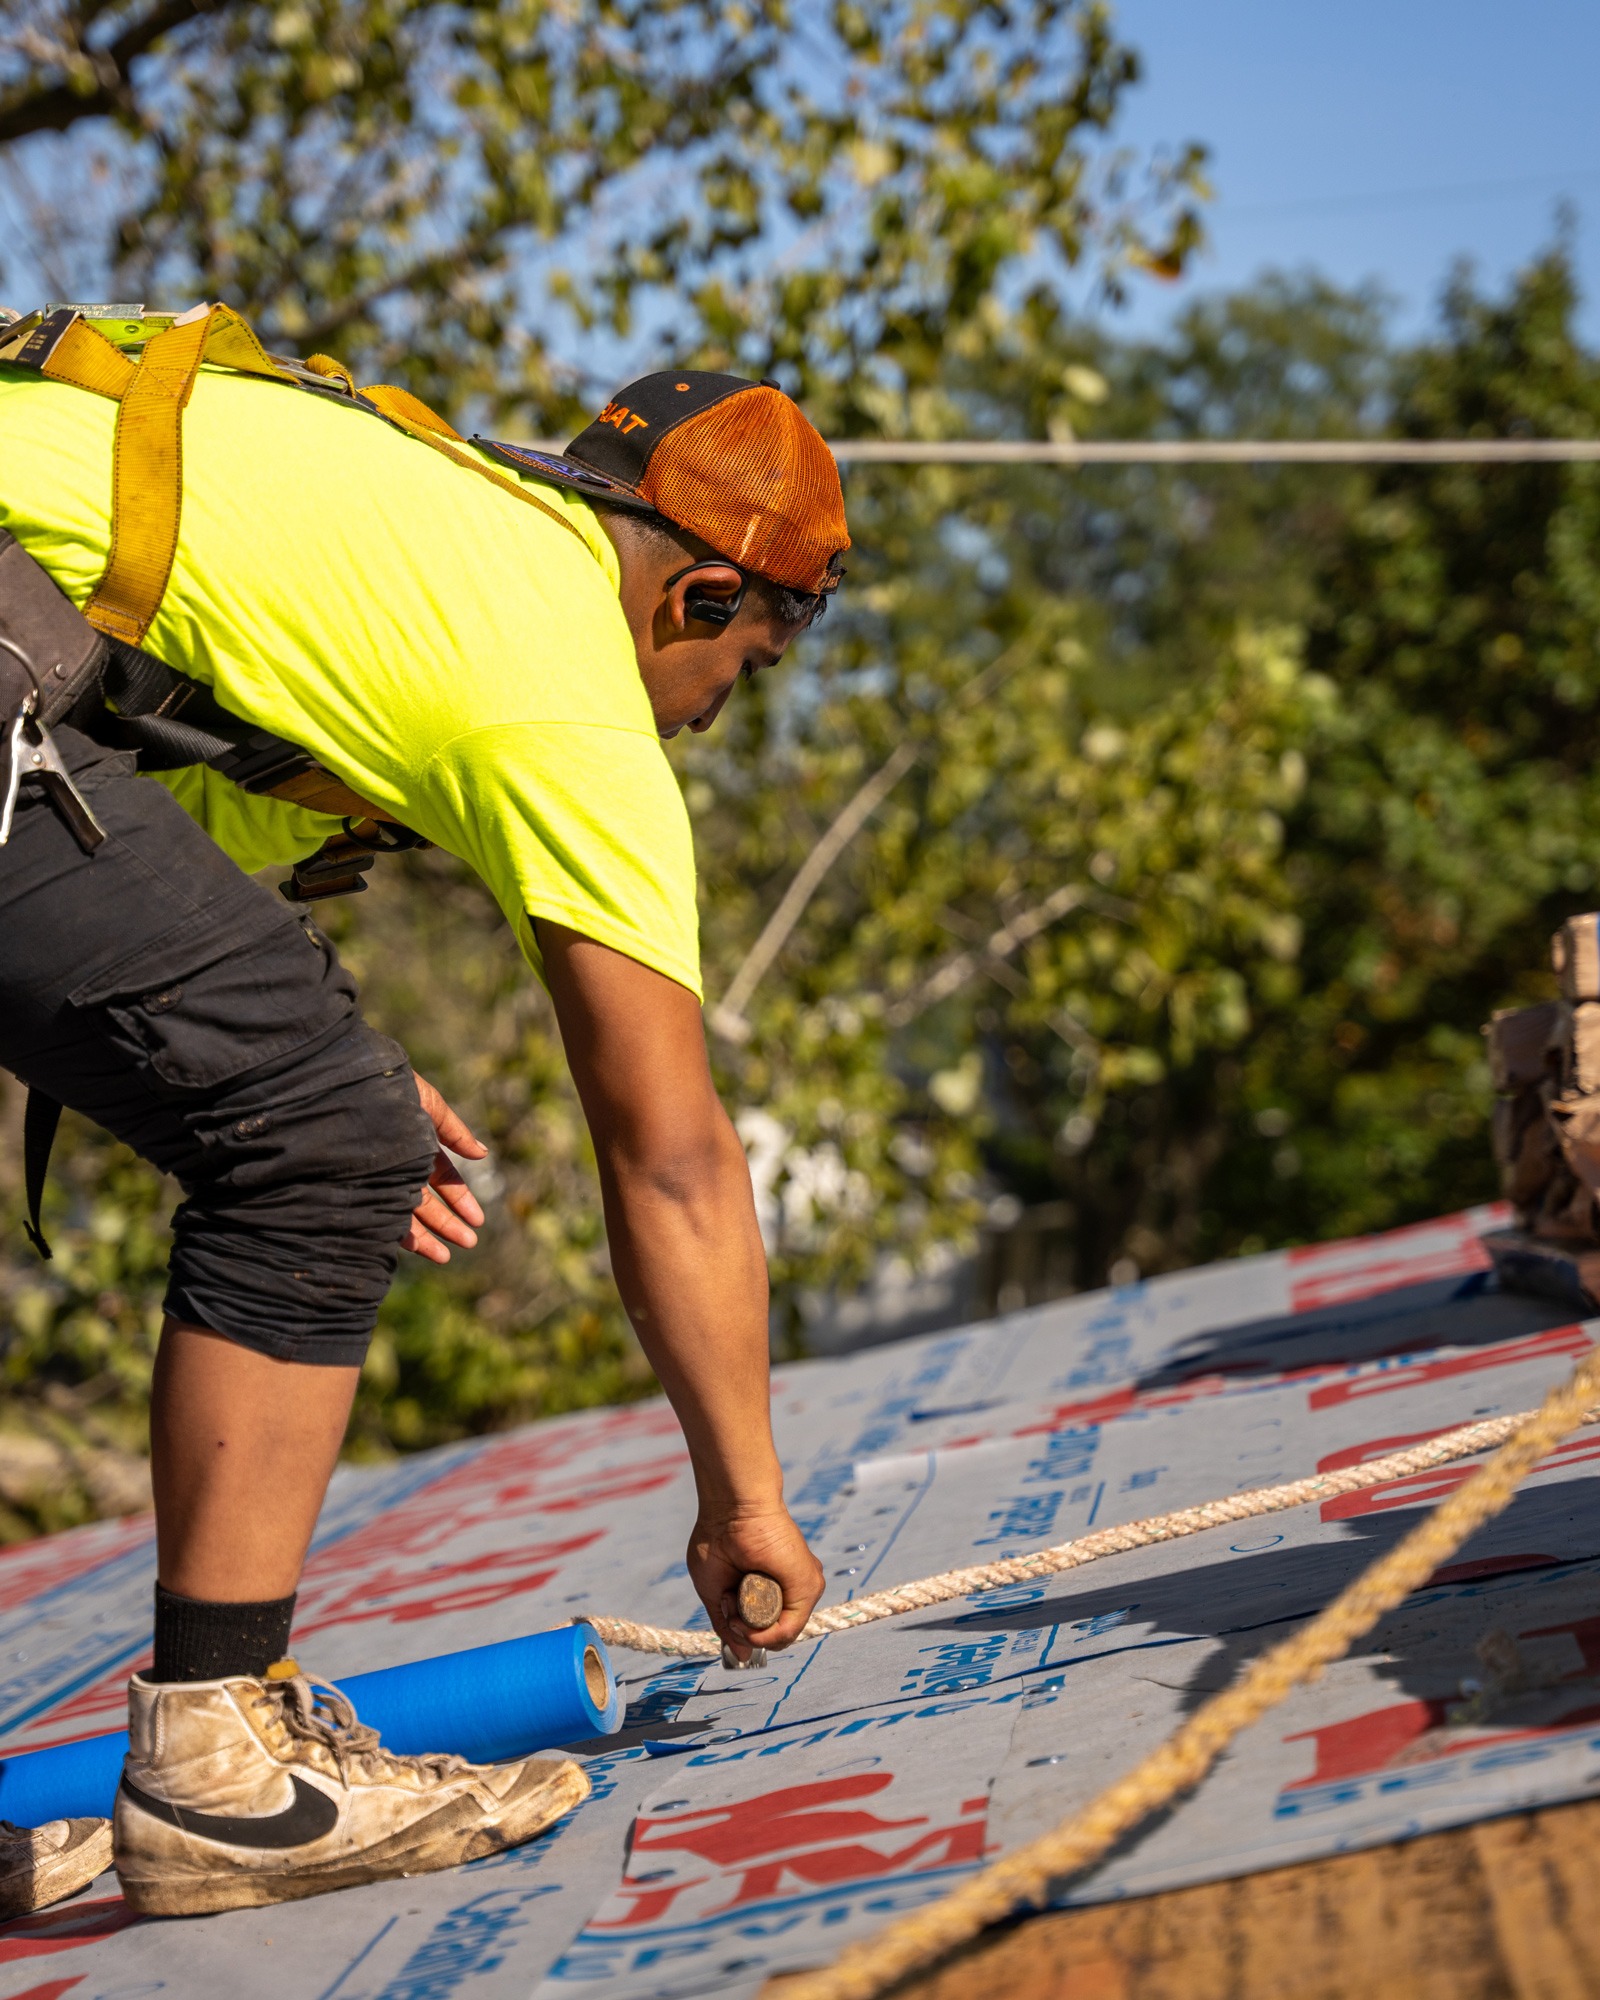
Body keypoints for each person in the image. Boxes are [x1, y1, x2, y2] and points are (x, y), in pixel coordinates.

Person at [0, 309, 838, 1916]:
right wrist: (747, 1502)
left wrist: (321, 1056)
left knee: (313, 1099)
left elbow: (130, 911)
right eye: (736, 674)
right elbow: (669, 1156)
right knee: (320, 1139)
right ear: (702, 593)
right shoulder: (568, 690)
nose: (705, 719)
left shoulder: (424, 513)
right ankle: (222, 1765)